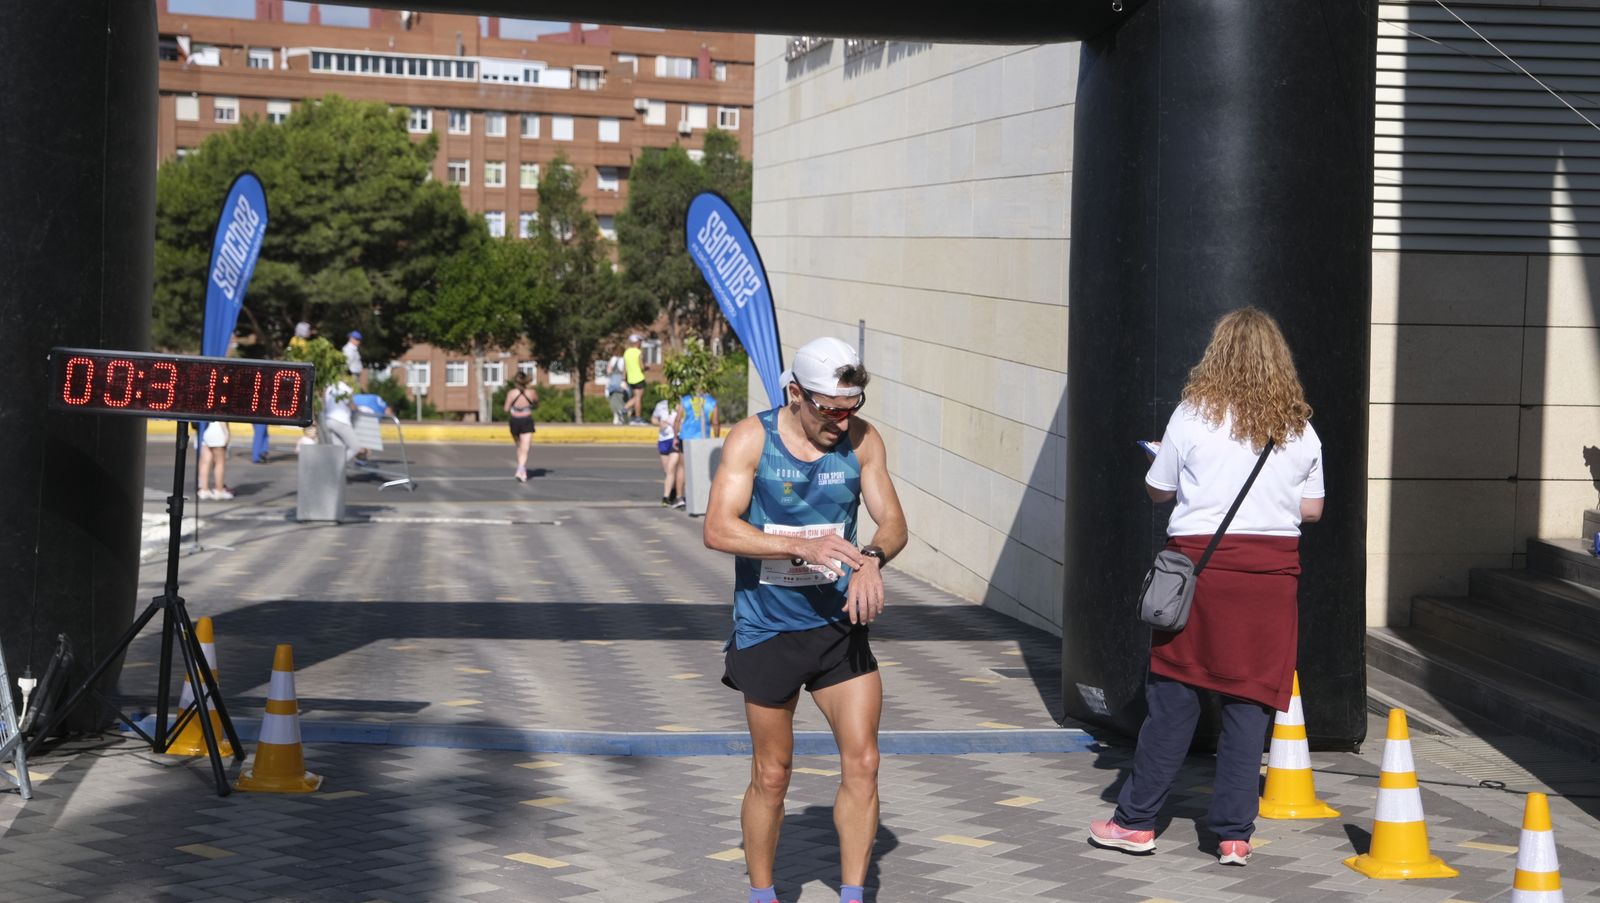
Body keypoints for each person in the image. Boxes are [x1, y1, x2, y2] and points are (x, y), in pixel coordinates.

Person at [1088, 307, 1324, 868]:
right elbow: (1312, 510)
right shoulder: (1299, 427)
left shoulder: (1191, 416)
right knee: (1250, 707)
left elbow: (1157, 490)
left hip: (1199, 574)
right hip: (1270, 582)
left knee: (1173, 700)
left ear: (1216, 356)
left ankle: (1136, 823)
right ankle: (1234, 836)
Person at [703, 336, 907, 903]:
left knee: (864, 762)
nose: (841, 423)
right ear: (796, 393)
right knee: (773, 773)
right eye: (829, 410)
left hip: (839, 628)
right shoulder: (752, 439)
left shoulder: (863, 443)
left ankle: (851, 894)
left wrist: (871, 560)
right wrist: (801, 546)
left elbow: (893, 521)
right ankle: (764, 894)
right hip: (768, 628)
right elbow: (719, 528)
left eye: (850, 410)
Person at [674, 386, 721, 508]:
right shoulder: (711, 402)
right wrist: (716, 438)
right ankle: (702, 498)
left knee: (682, 467)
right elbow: (715, 422)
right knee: (703, 469)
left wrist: (675, 437)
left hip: (686, 437)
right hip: (703, 438)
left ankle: (679, 497)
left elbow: (678, 420)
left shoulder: (685, 400)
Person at [504, 371, 539, 482]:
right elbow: (536, 404)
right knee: (525, 447)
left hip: (514, 420)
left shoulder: (511, 393)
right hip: (526, 420)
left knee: (519, 446)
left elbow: (505, 409)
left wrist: (515, 407)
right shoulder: (532, 392)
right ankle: (521, 469)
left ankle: (521, 469)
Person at [651, 392, 684, 507]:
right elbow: (653, 419)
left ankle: (666, 497)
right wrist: (659, 423)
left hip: (675, 438)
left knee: (671, 469)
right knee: (668, 471)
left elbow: (684, 421)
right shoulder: (661, 405)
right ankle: (673, 492)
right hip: (663, 439)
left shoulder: (681, 405)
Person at [321, 377, 359, 463]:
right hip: (341, 421)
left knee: (340, 449)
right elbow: (352, 406)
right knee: (355, 447)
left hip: (329, 420)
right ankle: (337, 465)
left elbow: (323, 403)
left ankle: (336, 469)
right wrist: (358, 409)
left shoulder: (329, 387)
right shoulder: (346, 388)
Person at [197, 420, 233, 500]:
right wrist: (227, 434)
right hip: (218, 431)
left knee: (205, 462)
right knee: (220, 463)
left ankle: (204, 490)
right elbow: (222, 419)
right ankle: (219, 490)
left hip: (207, 431)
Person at [622, 334, 647, 424]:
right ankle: (635, 415)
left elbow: (625, 367)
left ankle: (629, 411)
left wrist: (623, 379)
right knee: (638, 398)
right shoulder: (638, 352)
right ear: (636, 342)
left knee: (636, 397)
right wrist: (646, 367)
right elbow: (642, 367)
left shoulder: (626, 352)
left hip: (630, 379)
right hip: (639, 378)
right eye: (640, 342)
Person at [605, 354, 629, 425]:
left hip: (612, 382)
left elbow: (608, 371)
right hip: (620, 381)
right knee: (621, 399)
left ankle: (616, 415)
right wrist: (624, 380)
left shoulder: (613, 359)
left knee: (613, 400)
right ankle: (621, 416)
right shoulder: (623, 360)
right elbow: (625, 371)